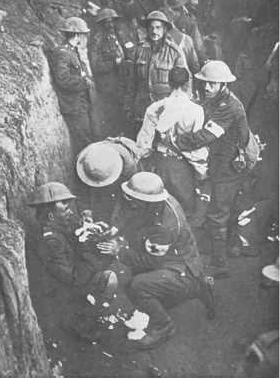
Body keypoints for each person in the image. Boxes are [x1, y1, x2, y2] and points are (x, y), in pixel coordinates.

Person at [96, 172, 215, 350]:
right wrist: (114, 230)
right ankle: (199, 288)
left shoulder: (166, 224)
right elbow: (128, 210)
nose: (130, 201)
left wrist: (119, 251)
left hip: (180, 265)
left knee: (136, 287)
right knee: (148, 290)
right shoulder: (150, 202)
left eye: (135, 199)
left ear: (149, 201)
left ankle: (165, 325)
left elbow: (149, 261)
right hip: (168, 255)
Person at [174, 60, 250, 278]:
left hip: (228, 168)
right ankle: (232, 246)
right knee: (230, 208)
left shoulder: (226, 108)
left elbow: (206, 136)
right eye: (205, 83)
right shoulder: (218, 100)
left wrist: (176, 140)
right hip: (228, 163)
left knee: (216, 215)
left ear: (223, 84)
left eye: (212, 84)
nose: (207, 87)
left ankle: (219, 264)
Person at [28, 182, 118, 341]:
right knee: (108, 280)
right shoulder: (50, 242)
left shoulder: (55, 228)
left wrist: (89, 233)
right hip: (58, 296)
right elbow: (76, 278)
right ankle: (74, 320)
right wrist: (89, 250)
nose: (70, 212)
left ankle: (77, 314)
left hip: (63, 284)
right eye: (65, 209)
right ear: (51, 216)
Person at [137, 66, 208, 219]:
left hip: (161, 164)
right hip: (183, 169)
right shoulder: (196, 111)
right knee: (184, 215)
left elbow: (144, 146)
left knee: (159, 212)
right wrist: (201, 172)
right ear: (187, 83)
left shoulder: (154, 108)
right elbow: (196, 146)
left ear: (168, 83)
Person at [124, 10, 185, 136]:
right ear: (147, 29)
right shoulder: (140, 49)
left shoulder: (174, 52)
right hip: (142, 107)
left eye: (158, 27)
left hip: (164, 109)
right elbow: (133, 81)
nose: (154, 31)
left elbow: (185, 81)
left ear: (164, 29)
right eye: (151, 27)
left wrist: (181, 108)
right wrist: (128, 107)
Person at [50, 17, 94, 156]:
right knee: (84, 141)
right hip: (73, 105)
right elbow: (62, 78)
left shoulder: (71, 50)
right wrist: (84, 82)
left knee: (88, 136)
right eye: (83, 34)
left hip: (80, 102)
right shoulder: (63, 52)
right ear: (78, 35)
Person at [74, 136, 143, 224]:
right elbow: (79, 190)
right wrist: (85, 211)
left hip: (127, 166)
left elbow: (132, 200)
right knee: (103, 201)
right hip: (109, 169)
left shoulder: (129, 166)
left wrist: (117, 225)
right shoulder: (82, 162)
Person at [88, 8, 131, 139]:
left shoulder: (120, 35)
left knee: (124, 117)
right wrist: (114, 63)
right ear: (101, 24)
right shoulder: (97, 40)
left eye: (113, 21)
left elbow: (130, 52)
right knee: (110, 120)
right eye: (106, 22)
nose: (110, 25)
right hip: (107, 88)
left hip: (122, 84)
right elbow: (95, 66)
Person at [165, 0, 207, 66]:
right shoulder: (189, 20)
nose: (196, 2)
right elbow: (198, 47)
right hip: (183, 63)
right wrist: (204, 62)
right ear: (184, 2)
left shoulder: (161, 16)